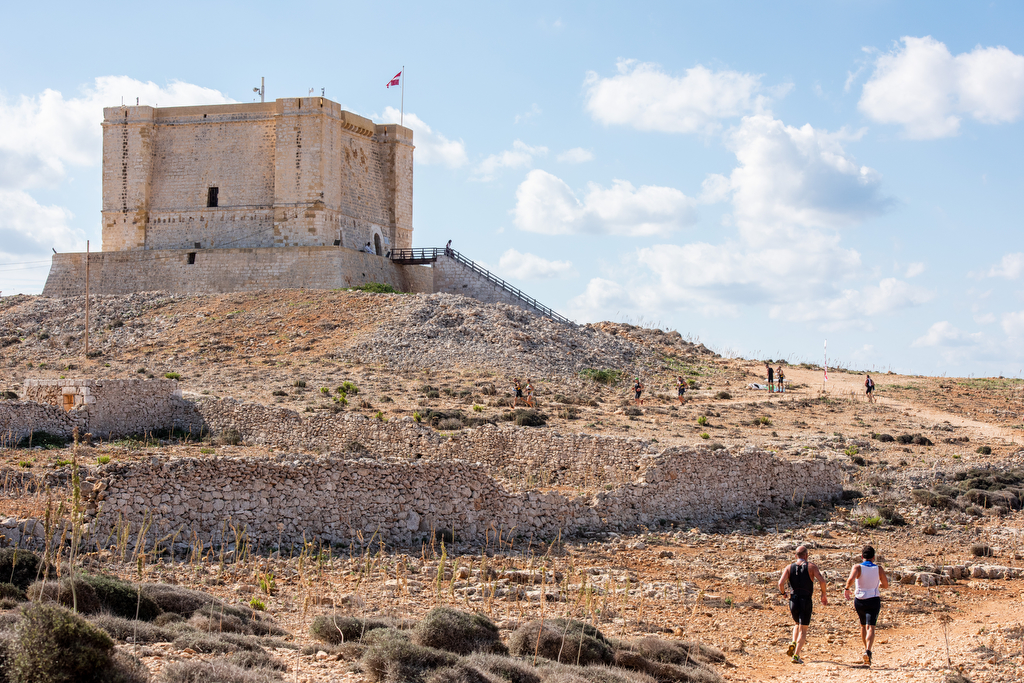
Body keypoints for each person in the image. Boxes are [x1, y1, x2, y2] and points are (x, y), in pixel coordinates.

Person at [777, 545, 828, 664]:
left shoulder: (789, 567)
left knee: (796, 623)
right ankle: (796, 655)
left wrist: (783, 593)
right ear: (806, 555)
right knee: (803, 629)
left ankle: (793, 642)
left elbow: (780, 583)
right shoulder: (811, 566)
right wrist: (823, 594)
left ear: (796, 556)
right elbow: (822, 581)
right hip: (805, 600)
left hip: (793, 601)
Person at [844, 545, 888, 667]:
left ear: (862, 556)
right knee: (871, 627)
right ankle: (868, 650)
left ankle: (865, 650)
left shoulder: (857, 567)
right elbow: (885, 584)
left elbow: (851, 579)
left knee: (863, 625)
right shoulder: (878, 569)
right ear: (874, 557)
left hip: (860, 600)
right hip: (873, 599)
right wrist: (877, 585)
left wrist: (847, 589)